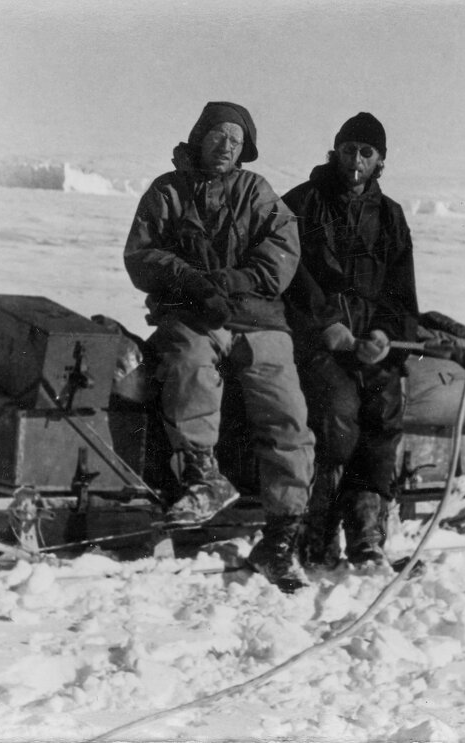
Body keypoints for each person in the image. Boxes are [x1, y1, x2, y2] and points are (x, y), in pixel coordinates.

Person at [124, 101, 315, 591]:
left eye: (235, 138)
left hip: (258, 320)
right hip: (192, 316)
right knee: (187, 364)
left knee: (287, 414)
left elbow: (281, 252)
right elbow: (141, 255)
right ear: (198, 137)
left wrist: (231, 281)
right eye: (217, 135)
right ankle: (202, 477)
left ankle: (281, 538)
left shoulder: (258, 192)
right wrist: (189, 283)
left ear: (244, 148)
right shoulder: (166, 192)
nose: (225, 145)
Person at [283, 112, 419, 568]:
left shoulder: (392, 217)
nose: (355, 160)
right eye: (348, 150)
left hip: (370, 345)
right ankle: (316, 530)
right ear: (334, 152)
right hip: (316, 341)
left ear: (380, 160)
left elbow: (402, 293)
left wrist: (384, 334)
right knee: (336, 416)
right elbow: (290, 277)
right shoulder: (300, 204)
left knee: (383, 412)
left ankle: (366, 531)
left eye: (366, 152)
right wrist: (325, 326)